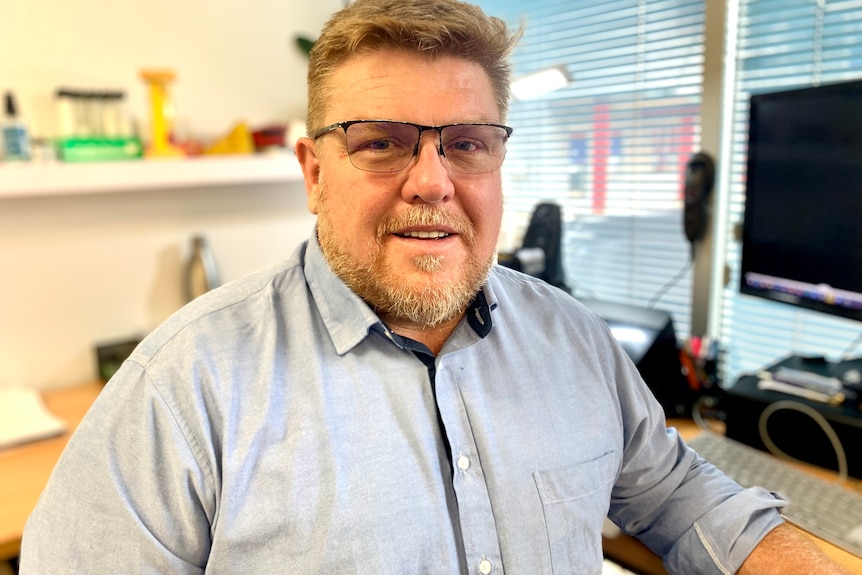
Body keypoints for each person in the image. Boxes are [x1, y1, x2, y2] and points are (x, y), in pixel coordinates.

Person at [19, 0, 851, 573]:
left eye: (467, 142)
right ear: (314, 172)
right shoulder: (183, 389)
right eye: (380, 142)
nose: (431, 181)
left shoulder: (572, 341)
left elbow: (678, 493)